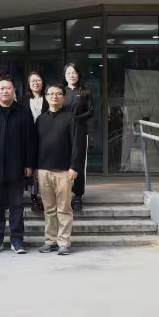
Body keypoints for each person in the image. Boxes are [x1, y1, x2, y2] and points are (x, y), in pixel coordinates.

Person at [0, 76, 36, 254]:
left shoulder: (24, 112)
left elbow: (30, 140)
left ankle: (17, 240)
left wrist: (29, 163)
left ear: (14, 90)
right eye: (2, 88)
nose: (5, 91)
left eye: (8, 88)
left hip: (17, 167)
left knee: (16, 206)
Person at [35, 83, 85, 256]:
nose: (54, 96)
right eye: (51, 94)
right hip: (43, 170)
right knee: (49, 209)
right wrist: (36, 168)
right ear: (46, 97)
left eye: (58, 94)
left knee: (64, 208)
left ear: (63, 97)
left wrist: (74, 167)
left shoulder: (71, 118)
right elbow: (35, 145)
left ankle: (63, 242)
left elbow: (77, 145)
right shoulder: (40, 119)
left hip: (64, 171)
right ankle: (50, 241)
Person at [63, 63, 93, 213]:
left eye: (74, 72)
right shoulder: (61, 91)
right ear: (65, 76)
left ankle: (78, 196)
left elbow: (91, 111)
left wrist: (75, 119)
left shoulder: (85, 91)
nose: (72, 75)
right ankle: (64, 192)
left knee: (79, 162)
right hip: (63, 132)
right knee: (63, 161)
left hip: (80, 131)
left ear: (78, 74)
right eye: (69, 73)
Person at [21, 71, 49, 213]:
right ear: (28, 84)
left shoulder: (48, 98)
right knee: (31, 165)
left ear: (42, 82)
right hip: (28, 137)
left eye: (38, 80)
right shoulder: (23, 101)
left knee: (44, 168)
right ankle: (33, 198)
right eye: (32, 81)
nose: (35, 83)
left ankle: (45, 198)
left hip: (46, 137)